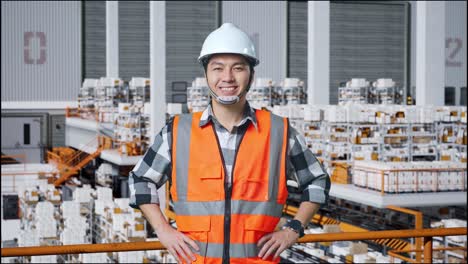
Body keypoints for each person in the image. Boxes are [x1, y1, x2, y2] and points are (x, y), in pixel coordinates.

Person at [129, 23, 330, 264]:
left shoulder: (279, 132)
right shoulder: (177, 131)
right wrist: (162, 230)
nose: (227, 77)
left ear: (251, 74)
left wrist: (293, 229)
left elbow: (317, 180)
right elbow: (141, 179)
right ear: (206, 74)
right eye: (218, 68)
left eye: (238, 68)